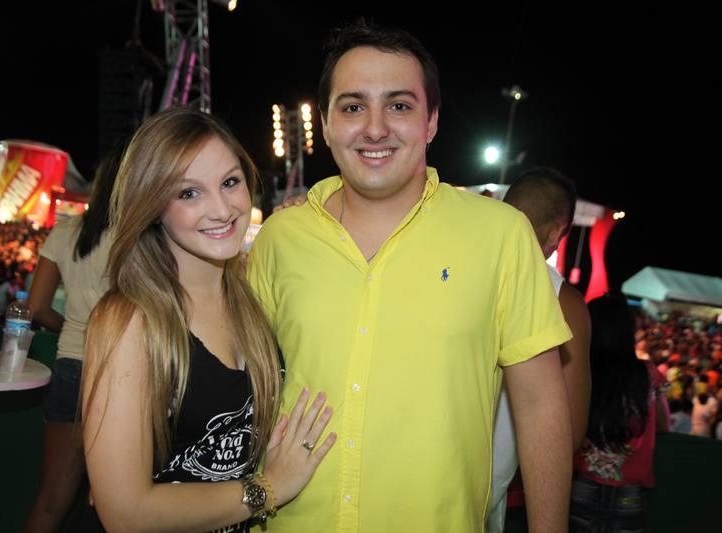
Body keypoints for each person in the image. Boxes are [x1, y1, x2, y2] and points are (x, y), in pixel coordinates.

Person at [247, 22, 573, 532]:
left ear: (432, 121)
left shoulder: (501, 236)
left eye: (398, 105)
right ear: (326, 125)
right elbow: (242, 388)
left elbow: (540, 405)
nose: (375, 128)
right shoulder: (281, 239)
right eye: (352, 107)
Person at [81, 107, 335, 532]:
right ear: (153, 206)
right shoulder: (130, 322)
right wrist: (267, 489)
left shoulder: (249, 299)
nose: (221, 209)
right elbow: (124, 514)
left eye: (230, 182)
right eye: (188, 193)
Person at [23, 145, 123, 532]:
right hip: (122, 375)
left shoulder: (65, 231)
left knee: (51, 501)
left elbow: (36, 307)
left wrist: (73, 326)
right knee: (116, 504)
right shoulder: (144, 236)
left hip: (71, 364)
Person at [487, 167, 592, 531]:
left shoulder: (450, 266)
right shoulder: (563, 303)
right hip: (477, 500)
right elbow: (569, 431)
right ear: (557, 232)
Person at [570, 293, 669, 532]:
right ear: (628, 331)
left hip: (582, 484)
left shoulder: (580, 371)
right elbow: (664, 424)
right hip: (629, 492)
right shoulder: (648, 374)